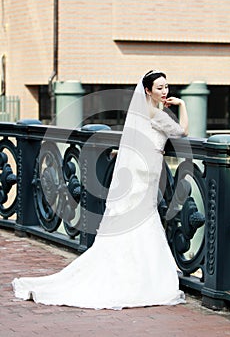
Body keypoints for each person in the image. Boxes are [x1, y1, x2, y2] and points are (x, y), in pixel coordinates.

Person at [12, 70, 188, 310]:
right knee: (143, 218)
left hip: (139, 169)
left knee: (135, 218)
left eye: (167, 87)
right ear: (147, 90)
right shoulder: (157, 113)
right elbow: (182, 132)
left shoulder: (139, 112)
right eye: (159, 88)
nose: (165, 91)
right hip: (146, 173)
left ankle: (130, 269)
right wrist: (183, 104)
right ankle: (139, 275)